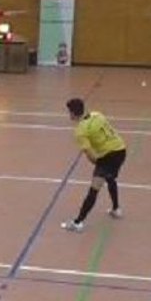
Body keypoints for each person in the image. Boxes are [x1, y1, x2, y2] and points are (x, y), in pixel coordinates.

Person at [59, 98, 126, 233]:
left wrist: (99, 165)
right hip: (121, 149)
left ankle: (78, 222)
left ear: (73, 113)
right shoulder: (97, 114)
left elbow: (91, 156)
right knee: (110, 178)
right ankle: (116, 209)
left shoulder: (81, 130)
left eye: (69, 112)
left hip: (108, 156)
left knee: (94, 189)